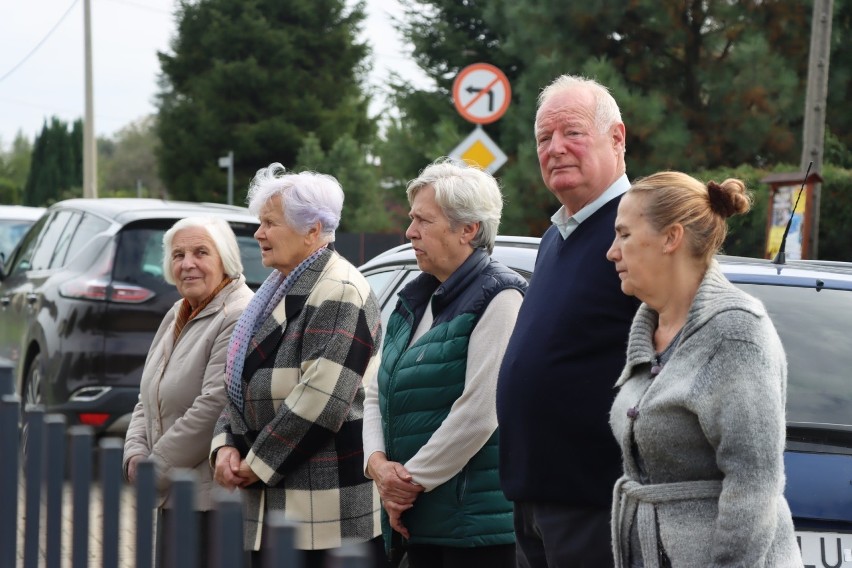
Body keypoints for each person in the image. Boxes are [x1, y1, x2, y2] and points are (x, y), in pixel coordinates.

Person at [606, 172, 802, 567]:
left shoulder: (737, 332)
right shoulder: (651, 327)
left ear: (671, 238)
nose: (612, 251)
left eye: (624, 235)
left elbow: (754, 485)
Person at [496, 74, 641, 568]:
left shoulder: (639, 230)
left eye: (572, 132)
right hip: (536, 497)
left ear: (616, 138)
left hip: (596, 501)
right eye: (543, 138)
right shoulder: (557, 236)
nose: (555, 148)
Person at [210, 164, 385, 568]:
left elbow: (320, 401)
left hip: (324, 522)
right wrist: (224, 446)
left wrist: (252, 464)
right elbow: (240, 378)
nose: (258, 233)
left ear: (313, 229)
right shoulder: (275, 287)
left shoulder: (339, 290)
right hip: (278, 509)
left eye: (270, 223)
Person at [363, 158, 527, 568]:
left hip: (473, 532)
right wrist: (378, 467)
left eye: (424, 220)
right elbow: (373, 391)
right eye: (412, 218)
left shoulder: (501, 297)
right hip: (420, 519)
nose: (409, 231)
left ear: (468, 229)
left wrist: (406, 485)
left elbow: (479, 412)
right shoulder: (416, 298)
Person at [123, 216, 254, 567]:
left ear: (225, 259)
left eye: (201, 252)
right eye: (178, 255)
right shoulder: (177, 311)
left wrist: (154, 469)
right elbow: (147, 395)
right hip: (174, 493)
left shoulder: (238, 314)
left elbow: (214, 405)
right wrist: (135, 454)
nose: (187, 264)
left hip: (209, 502)